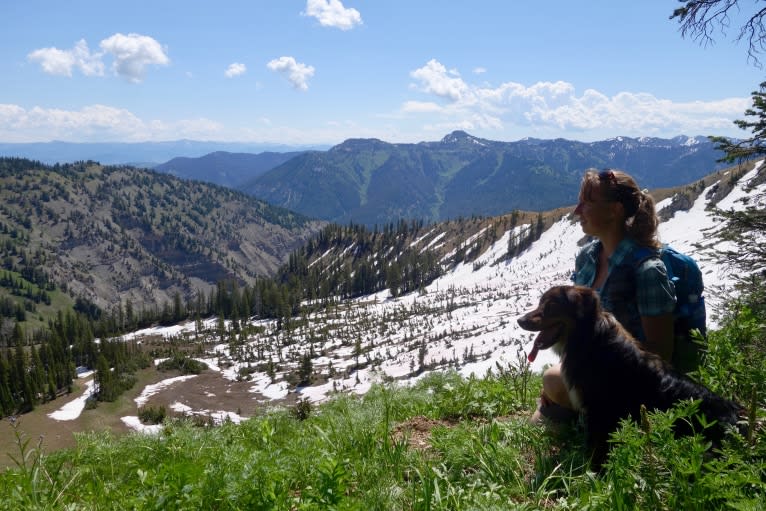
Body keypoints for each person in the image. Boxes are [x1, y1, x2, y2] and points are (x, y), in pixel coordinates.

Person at [531, 168, 676, 424]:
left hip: (629, 382)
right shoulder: (587, 257)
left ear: (615, 210)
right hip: (589, 369)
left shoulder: (647, 271)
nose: (577, 211)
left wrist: (574, 378)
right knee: (545, 405)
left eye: (587, 203)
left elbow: (661, 354)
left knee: (553, 381)